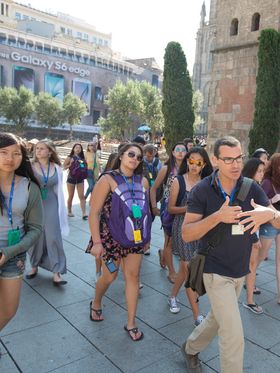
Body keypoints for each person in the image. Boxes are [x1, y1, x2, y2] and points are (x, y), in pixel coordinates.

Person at [181, 136, 280, 373]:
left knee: (217, 319)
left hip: (240, 271)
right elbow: (186, 234)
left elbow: (277, 220)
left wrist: (269, 215)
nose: (236, 165)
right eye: (228, 159)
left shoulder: (251, 187)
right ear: (215, 160)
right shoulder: (202, 191)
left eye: (239, 158)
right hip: (214, 271)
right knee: (233, 335)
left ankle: (190, 347)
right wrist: (217, 217)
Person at [88, 143, 151, 341]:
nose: (135, 158)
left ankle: (131, 323)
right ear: (121, 155)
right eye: (131, 154)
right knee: (110, 276)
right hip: (110, 238)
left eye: (139, 157)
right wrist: (97, 243)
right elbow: (94, 213)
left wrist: (146, 237)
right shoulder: (107, 179)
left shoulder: (143, 182)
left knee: (133, 276)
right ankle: (96, 302)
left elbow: (143, 211)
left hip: (135, 237)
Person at [0, 132, 43, 348]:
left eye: (16, 153)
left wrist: (9, 252)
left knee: (9, 310)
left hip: (13, 255)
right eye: (3, 152)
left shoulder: (29, 187)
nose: (10, 158)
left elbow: (36, 229)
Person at [167, 147, 213, 326]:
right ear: (187, 161)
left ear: (204, 165)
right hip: (183, 227)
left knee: (184, 269)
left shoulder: (207, 183)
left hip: (200, 230)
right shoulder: (178, 181)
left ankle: (172, 296)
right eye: (191, 161)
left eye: (198, 162)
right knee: (189, 269)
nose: (194, 165)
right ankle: (197, 316)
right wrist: (191, 208)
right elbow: (171, 208)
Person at [26, 141, 69, 285]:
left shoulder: (57, 168)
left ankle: (56, 272)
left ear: (50, 152)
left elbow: (59, 190)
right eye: (36, 148)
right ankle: (34, 266)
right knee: (35, 235)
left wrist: (62, 210)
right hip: (34, 204)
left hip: (51, 203)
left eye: (42, 148)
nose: (38, 151)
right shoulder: (29, 167)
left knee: (53, 236)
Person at [150, 142, 187, 283]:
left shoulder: (190, 170)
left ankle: (163, 254)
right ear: (172, 152)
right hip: (168, 209)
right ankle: (171, 271)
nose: (180, 152)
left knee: (176, 242)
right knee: (169, 241)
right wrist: (154, 207)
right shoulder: (166, 169)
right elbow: (153, 189)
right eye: (177, 149)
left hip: (184, 209)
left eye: (183, 150)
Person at [242, 158, 265, 314]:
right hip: (245, 233)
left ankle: (249, 300)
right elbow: (242, 212)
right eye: (260, 171)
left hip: (250, 231)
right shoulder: (247, 185)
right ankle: (248, 301)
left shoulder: (254, 185)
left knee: (251, 265)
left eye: (263, 171)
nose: (262, 174)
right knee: (249, 265)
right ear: (252, 171)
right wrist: (255, 238)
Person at [259, 153, 280, 304]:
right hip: (270, 223)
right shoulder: (267, 182)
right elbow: (260, 202)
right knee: (260, 255)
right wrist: (273, 200)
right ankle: (249, 277)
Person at [63, 143, 88, 220]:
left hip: (80, 179)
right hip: (71, 179)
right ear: (73, 149)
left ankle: (84, 214)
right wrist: (70, 164)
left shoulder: (82, 158)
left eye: (79, 148)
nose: (78, 149)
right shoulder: (69, 157)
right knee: (71, 196)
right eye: (76, 147)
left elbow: (84, 167)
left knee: (82, 196)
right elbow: (64, 167)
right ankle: (69, 211)